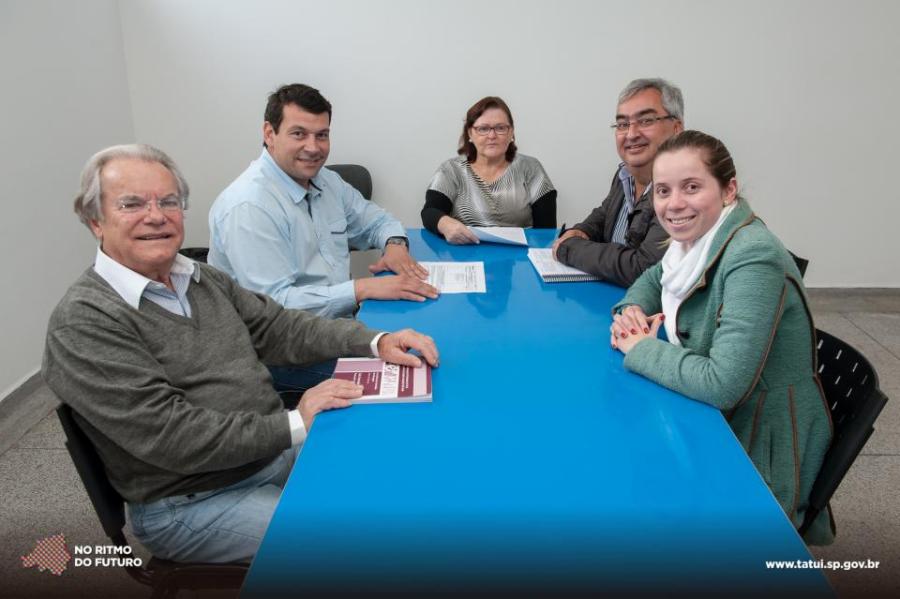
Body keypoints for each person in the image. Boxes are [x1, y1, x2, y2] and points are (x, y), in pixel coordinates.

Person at [42, 144, 440, 564]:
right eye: (132, 204)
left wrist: (374, 341)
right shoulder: (84, 322)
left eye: (169, 201)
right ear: (95, 221)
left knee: (400, 462)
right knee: (362, 550)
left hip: (264, 454)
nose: (156, 215)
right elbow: (170, 437)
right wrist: (294, 423)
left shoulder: (200, 278)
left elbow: (279, 327)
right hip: (189, 501)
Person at [609, 131, 834, 544]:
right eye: (663, 191)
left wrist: (642, 348)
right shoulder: (692, 242)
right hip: (715, 421)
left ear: (728, 190)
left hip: (755, 448)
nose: (673, 204)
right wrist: (631, 311)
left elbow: (723, 384)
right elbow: (650, 278)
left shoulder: (753, 255)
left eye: (691, 187)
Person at [209, 83, 438, 319]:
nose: (313, 147)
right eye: (299, 134)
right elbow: (274, 307)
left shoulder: (327, 181)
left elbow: (377, 221)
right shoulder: (249, 206)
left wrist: (395, 246)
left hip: (339, 323)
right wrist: (362, 289)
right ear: (269, 134)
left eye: (322, 135)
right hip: (283, 342)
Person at [551, 78, 683, 286]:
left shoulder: (681, 190)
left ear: (676, 128)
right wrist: (582, 231)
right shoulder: (625, 174)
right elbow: (605, 214)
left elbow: (642, 268)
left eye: (646, 121)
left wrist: (570, 248)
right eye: (622, 124)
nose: (631, 134)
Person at [421, 96, 556, 244]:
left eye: (500, 128)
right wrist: (444, 223)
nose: (492, 135)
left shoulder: (531, 168)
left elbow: (547, 232)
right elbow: (429, 212)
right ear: (470, 134)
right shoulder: (451, 170)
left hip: (520, 259)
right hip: (466, 255)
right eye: (483, 129)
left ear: (511, 133)